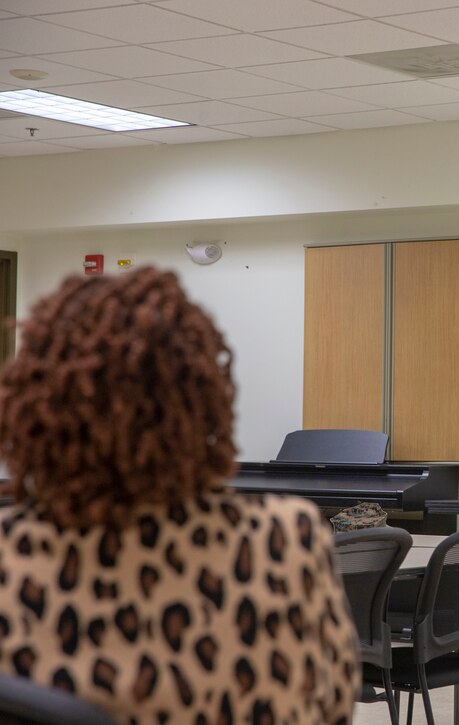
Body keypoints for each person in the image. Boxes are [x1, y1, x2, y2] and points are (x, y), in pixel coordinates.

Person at [0, 268, 360, 724]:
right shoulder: (286, 541)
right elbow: (334, 707)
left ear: (33, 406)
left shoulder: (8, 556)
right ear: (205, 402)